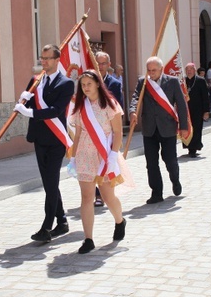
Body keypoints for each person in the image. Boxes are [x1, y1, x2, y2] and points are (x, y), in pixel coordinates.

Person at [15, 45, 75, 242]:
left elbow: (56, 111)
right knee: (50, 182)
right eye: (42, 58)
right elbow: (31, 102)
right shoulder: (36, 80)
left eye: (48, 58)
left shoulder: (66, 83)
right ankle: (62, 221)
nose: (44, 62)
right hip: (39, 138)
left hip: (56, 139)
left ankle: (47, 227)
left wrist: (30, 112)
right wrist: (24, 101)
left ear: (57, 60)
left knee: (51, 182)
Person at [69, 70, 128, 254]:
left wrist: (113, 155)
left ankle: (120, 220)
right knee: (87, 197)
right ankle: (88, 239)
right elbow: (77, 133)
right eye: (83, 85)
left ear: (97, 84)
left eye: (89, 84)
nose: (86, 88)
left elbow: (118, 132)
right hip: (84, 155)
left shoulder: (110, 104)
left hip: (104, 155)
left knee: (108, 197)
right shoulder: (80, 107)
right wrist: (72, 156)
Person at [129, 56, 189, 204]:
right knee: (151, 162)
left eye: (154, 70)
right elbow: (135, 97)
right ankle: (156, 192)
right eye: (149, 70)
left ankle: (175, 180)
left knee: (170, 160)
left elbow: (181, 105)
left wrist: (184, 126)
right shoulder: (143, 82)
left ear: (161, 69)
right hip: (149, 128)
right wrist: (132, 111)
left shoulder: (172, 82)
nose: (151, 73)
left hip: (167, 127)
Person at [94, 51, 123, 207]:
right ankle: (97, 195)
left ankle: (107, 191)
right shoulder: (88, 82)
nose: (101, 66)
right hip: (92, 130)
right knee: (94, 162)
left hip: (108, 131)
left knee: (106, 162)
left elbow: (118, 108)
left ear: (109, 65)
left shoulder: (114, 84)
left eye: (104, 63)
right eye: (98, 63)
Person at [183, 63, 210, 157]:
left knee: (196, 128)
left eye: (191, 69)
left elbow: (205, 96)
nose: (189, 71)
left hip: (198, 109)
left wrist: (206, 111)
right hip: (186, 109)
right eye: (187, 69)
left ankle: (194, 148)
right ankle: (189, 146)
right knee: (186, 128)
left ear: (194, 70)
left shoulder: (200, 80)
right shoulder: (183, 81)